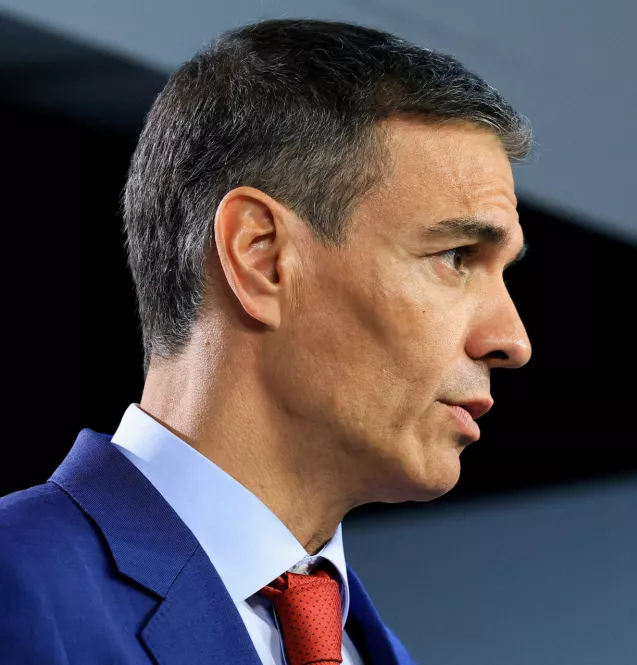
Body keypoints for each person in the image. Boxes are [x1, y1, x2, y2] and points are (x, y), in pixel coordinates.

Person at [0, 18, 532, 665]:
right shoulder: (18, 582)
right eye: (454, 256)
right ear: (262, 257)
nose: (512, 339)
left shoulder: (382, 651)